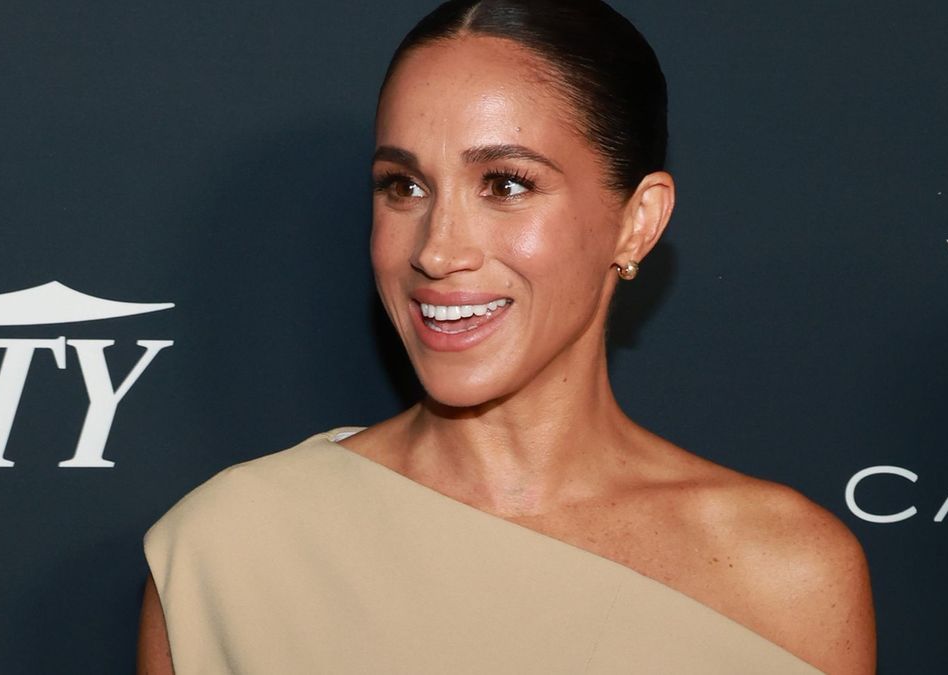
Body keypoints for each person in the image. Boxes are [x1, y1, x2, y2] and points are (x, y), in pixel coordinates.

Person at [137, 1, 876, 673]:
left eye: (506, 183)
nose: (436, 248)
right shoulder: (229, 553)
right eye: (405, 186)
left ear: (637, 221)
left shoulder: (785, 572)